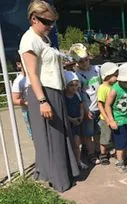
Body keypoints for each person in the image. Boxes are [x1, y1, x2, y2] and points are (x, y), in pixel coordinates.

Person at [19, 0, 79, 192]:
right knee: (51, 138)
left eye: (52, 22)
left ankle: (63, 174)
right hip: (43, 93)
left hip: (55, 90)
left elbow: (47, 66)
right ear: (34, 18)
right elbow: (32, 74)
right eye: (47, 22)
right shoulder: (29, 40)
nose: (50, 26)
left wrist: (63, 65)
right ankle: (56, 179)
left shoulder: (44, 38)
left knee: (59, 135)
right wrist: (43, 101)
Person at [69, 43, 102, 165]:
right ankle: (91, 154)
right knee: (88, 134)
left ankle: (99, 151)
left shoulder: (96, 70)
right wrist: (86, 110)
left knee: (98, 131)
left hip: (100, 106)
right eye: (81, 61)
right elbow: (79, 95)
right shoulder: (76, 75)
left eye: (86, 60)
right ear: (76, 62)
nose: (85, 63)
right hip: (88, 108)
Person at [105, 63, 127, 173]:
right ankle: (119, 162)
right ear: (122, 80)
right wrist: (111, 120)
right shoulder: (115, 89)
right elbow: (107, 105)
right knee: (120, 144)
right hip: (118, 121)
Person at [64, 71, 87, 170]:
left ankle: (78, 161)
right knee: (69, 145)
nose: (74, 87)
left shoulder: (77, 94)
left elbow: (81, 106)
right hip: (68, 123)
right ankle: (70, 164)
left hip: (77, 122)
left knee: (77, 144)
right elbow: (63, 111)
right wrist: (71, 119)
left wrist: (81, 116)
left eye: (76, 85)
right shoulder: (63, 97)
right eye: (71, 85)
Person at [97, 62, 119, 165]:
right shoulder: (102, 88)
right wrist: (107, 119)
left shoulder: (114, 86)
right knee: (105, 137)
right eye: (115, 75)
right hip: (105, 119)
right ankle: (103, 154)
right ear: (107, 75)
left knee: (115, 136)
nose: (117, 77)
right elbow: (100, 105)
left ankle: (115, 152)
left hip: (114, 116)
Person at [11, 54, 32, 139]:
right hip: (28, 112)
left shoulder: (35, 75)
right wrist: (28, 103)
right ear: (19, 64)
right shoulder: (18, 81)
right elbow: (15, 100)